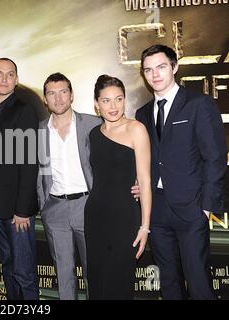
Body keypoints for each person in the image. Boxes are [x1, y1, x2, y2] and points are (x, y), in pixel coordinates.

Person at [136, 44, 226, 300]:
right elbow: (147, 159)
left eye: (161, 67)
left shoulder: (199, 104)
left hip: (192, 208)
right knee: (169, 281)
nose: (155, 74)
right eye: (148, 70)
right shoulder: (142, 114)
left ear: (174, 67)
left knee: (198, 282)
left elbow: (215, 157)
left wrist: (206, 208)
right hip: (157, 208)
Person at [84, 75, 152, 299]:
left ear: (125, 100)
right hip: (95, 217)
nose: (113, 106)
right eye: (106, 100)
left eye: (118, 99)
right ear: (96, 103)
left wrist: (144, 227)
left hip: (125, 219)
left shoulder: (136, 129)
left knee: (119, 284)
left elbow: (144, 181)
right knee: (97, 282)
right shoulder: (93, 135)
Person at [37, 72, 101, 300]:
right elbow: (35, 171)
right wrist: (43, 203)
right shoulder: (38, 132)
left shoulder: (94, 124)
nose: (58, 98)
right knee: (64, 275)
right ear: (45, 99)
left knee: (93, 271)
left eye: (63, 91)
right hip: (54, 210)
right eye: (51, 93)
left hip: (87, 206)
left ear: (72, 95)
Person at [0, 58, 39, 300]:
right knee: (8, 267)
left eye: (9, 75)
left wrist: (22, 210)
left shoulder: (24, 110)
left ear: (16, 80)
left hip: (17, 212)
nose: (4, 79)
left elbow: (29, 164)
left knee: (24, 272)